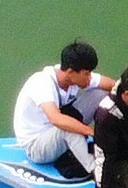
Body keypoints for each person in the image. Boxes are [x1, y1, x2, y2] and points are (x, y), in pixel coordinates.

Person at [11, 40, 109, 179]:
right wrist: (91, 132)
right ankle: (97, 172)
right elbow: (56, 119)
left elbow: (111, 85)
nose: (89, 78)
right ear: (70, 72)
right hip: (37, 146)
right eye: (87, 74)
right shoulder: (42, 83)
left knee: (102, 94)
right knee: (67, 128)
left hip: (55, 131)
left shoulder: (71, 74)